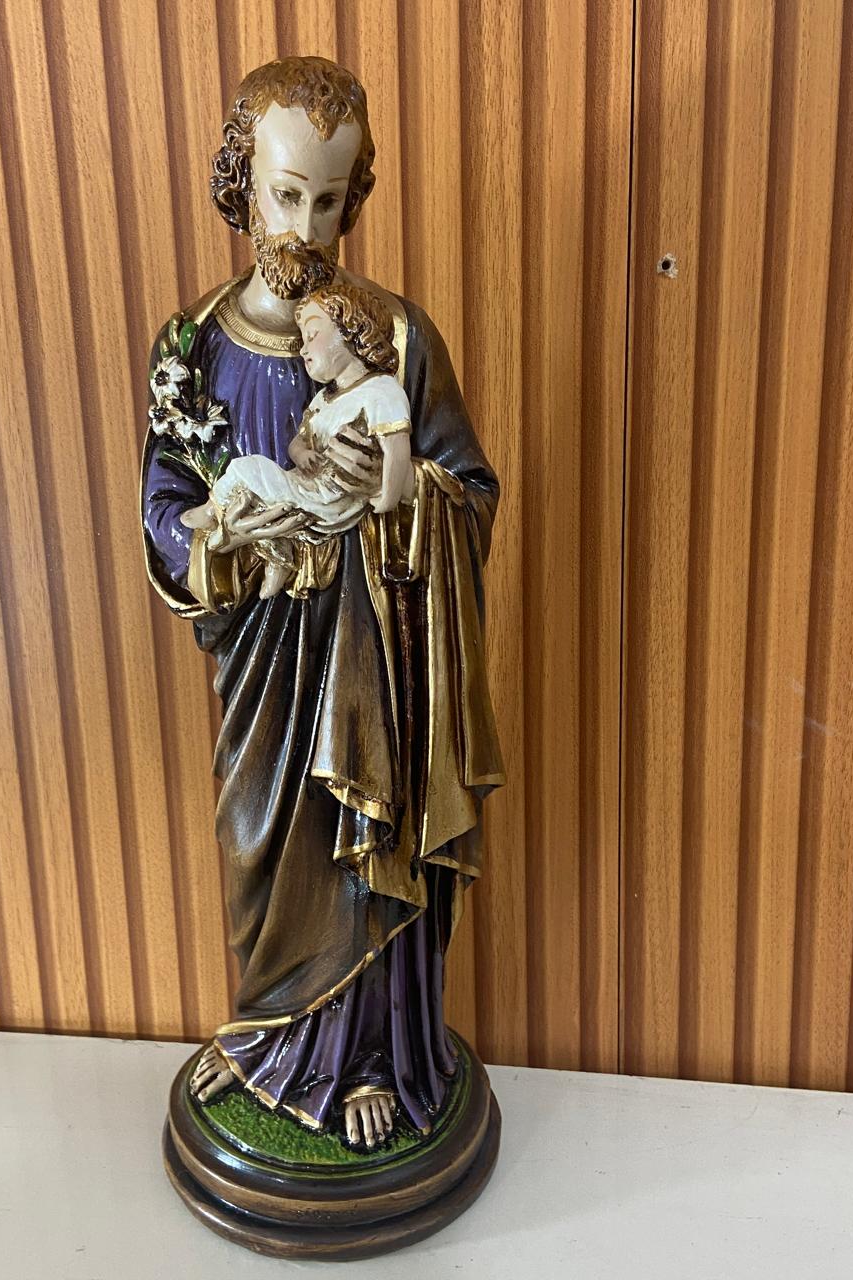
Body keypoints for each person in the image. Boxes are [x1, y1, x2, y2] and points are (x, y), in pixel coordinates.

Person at [141, 55, 503, 1151]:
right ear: (240, 183)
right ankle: (267, 1040)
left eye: (330, 200)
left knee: (362, 849)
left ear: (356, 197)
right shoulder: (193, 346)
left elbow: (469, 489)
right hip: (260, 657)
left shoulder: (397, 338)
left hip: (372, 663)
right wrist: (222, 542)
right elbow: (162, 507)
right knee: (261, 842)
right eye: (284, 193)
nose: (304, 226)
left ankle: (368, 1062)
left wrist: (402, 496)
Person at [179, 283, 413, 599]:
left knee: (248, 469)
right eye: (302, 339)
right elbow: (298, 442)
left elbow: (396, 447)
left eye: (313, 335)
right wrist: (302, 454)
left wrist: (387, 495)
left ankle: (212, 510)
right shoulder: (324, 399)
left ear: (353, 332)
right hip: (308, 485)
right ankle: (278, 558)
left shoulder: (380, 392)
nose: (303, 349)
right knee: (259, 500)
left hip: (329, 498)